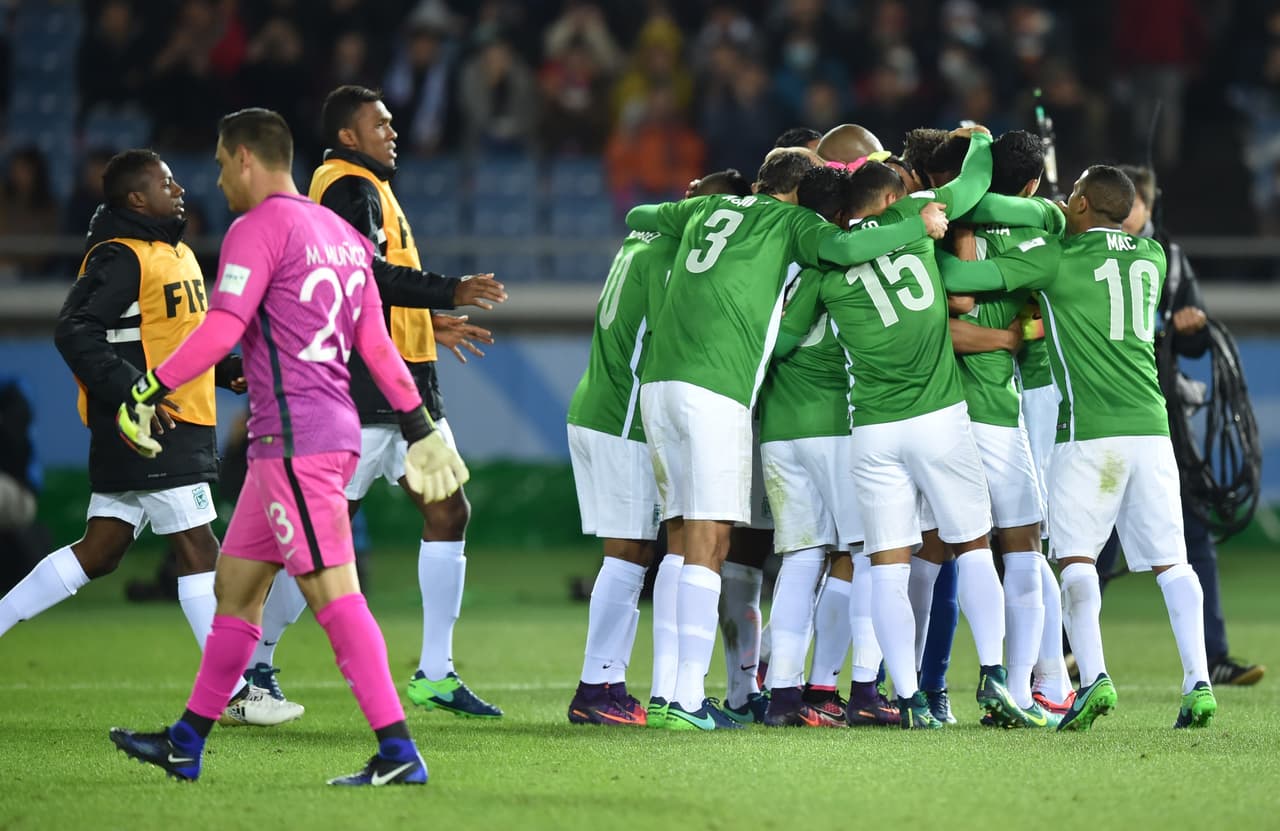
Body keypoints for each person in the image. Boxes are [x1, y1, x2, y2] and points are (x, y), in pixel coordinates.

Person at [109, 107, 469, 785]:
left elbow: (221, 328)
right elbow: (378, 348)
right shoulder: (340, 234)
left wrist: (148, 386)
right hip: (306, 441)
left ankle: (399, 751)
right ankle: (187, 741)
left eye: (220, 164)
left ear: (246, 157)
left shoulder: (257, 229)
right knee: (235, 590)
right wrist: (420, 426)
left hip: (297, 443)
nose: (216, 181)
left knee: (336, 595)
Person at [624, 146, 949, 730]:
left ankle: (669, 692)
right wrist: (913, 223)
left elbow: (639, 217)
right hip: (719, 388)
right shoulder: (797, 224)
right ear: (801, 192)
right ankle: (690, 701)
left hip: (660, 386)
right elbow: (848, 247)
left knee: (678, 536)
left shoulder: (708, 209)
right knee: (712, 538)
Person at [0, 149, 301, 725]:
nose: (179, 187)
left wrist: (223, 369)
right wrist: (134, 391)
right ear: (136, 198)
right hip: (151, 427)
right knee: (199, 551)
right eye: (165, 181)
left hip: (170, 421)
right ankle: (234, 692)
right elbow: (73, 330)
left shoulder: (177, 253)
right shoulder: (119, 256)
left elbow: (175, 343)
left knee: (101, 551)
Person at [939, 165, 1218, 730]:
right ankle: (1199, 682)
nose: (1062, 202)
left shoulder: (1055, 258)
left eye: (1071, 196)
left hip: (1088, 433)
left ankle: (1093, 678)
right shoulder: (1153, 257)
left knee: (1075, 559)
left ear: (1085, 203)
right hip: (1151, 429)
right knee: (1173, 562)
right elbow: (1103, 231)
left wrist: (987, 209)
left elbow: (960, 278)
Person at [778, 133, 1033, 730]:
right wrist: (980, 143)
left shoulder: (828, 260)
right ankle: (995, 675)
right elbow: (971, 186)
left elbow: (787, 337)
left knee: (887, 566)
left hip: (872, 431)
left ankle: (909, 697)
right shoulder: (913, 221)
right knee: (973, 546)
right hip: (940, 417)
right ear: (890, 195)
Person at [299, 85, 507, 719]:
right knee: (319, 540)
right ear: (348, 136)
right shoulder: (347, 187)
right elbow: (360, 275)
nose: (393, 132)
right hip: (365, 393)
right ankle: (255, 665)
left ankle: (437, 671)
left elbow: (372, 294)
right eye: (379, 124)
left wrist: (429, 323)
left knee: (448, 512)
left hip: (403, 390)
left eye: (391, 122)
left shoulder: (367, 186)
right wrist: (451, 287)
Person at [566, 168, 751, 727]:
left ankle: (613, 684)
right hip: (624, 415)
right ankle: (597, 686)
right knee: (627, 556)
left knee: (637, 552)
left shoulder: (639, 240)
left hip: (597, 403)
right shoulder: (678, 259)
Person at [1092, 165, 1263, 687]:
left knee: (1192, 531)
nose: (1128, 212)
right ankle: (1062, 653)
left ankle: (1212, 656)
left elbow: (1195, 337)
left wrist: (1191, 329)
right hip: (1109, 413)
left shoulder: (1169, 257)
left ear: (1146, 208)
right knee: (1094, 537)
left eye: (1136, 204)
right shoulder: (1095, 252)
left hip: (1163, 414)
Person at [756, 166, 889, 727]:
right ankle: (861, 692)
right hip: (834, 425)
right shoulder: (832, 263)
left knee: (801, 558)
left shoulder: (781, 264)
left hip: (780, 432)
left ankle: (786, 696)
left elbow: (777, 342)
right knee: (865, 555)